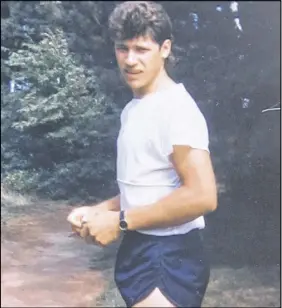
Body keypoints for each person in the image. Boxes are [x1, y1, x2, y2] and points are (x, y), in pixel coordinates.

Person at [67, 1, 217, 307]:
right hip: (142, 248)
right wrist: (100, 211)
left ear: (164, 48)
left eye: (141, 49)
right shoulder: (135, 109)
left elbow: (203, 196)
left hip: (169, 256)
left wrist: (120, 222)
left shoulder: (176, 109)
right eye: (123, 48)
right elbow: (149, 190)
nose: (130, 60)